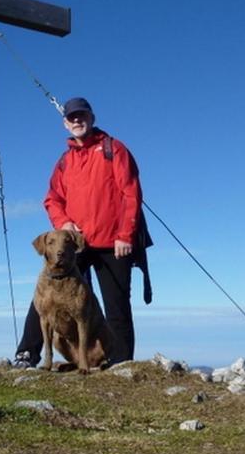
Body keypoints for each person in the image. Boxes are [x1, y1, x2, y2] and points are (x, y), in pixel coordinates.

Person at [14, 96, 151, 367]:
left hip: (114, 242)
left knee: (117, 305)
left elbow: (131, 193)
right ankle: (27, 354)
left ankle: (120, 362)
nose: (78, 121)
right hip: (78, 244)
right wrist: (63, 222)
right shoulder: (65, 161)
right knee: (44, 295)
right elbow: (53, 199)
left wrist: (125, 234)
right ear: (65, 124)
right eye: (72, 118)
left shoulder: (114, 149)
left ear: (91, 118)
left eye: (82, 116)